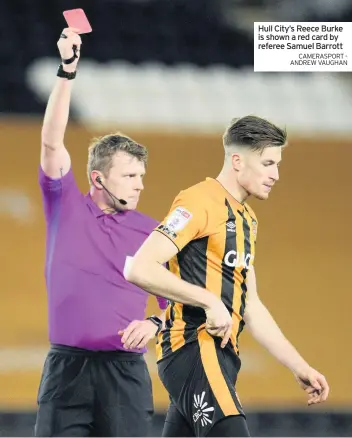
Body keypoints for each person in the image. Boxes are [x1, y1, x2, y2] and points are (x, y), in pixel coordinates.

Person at [124, 115, 330, 437]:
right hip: (193, 346)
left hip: (221, 357)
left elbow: (251, 305)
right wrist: (208, 301)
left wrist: (298, 366)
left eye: (277, 164)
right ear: (237, 160)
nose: (276, 174)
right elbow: (140, 267)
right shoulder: (198, 201)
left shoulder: (247, 219)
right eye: (267, 163)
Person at [35, 27, 167, 437]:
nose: (139, 184)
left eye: (141, 175)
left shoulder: (154, 233)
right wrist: (66, 70)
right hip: (65, 373)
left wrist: (156, 325)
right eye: (129, 175)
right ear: (98, 178)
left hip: (125, 375)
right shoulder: (65, 205)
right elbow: (52, 142)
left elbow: (181, 302)